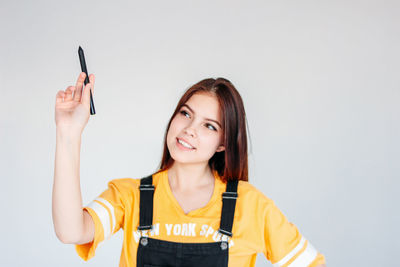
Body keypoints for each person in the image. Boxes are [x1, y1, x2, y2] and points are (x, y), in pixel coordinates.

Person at [52, 72, 327, 267]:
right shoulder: (130, 196)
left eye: (209, 126)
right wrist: (68, 133)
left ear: (223, 144)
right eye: (186, 113)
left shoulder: (250, 205)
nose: (189, 130)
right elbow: (71, 232)